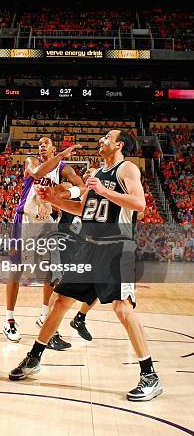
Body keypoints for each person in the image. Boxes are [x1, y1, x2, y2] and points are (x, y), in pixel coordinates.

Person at [9, 129, 163, 402]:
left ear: (119, 144)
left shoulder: (126, 169)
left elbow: (139, 204)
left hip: (117, 247)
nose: (102, 139)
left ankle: (150, 375)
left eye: (107, 137)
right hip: (89, 248)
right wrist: (54, 200)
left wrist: (103, 190)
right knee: (59, 303)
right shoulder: (96, 173)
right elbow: (84, 211)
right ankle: (34, 358)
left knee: (122, 308)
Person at [3, 136, 87, 350]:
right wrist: (60, 156)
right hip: (25, 218)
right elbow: (36, 174)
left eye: (46, 143)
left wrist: (64, 194)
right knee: (17, 270)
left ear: (53, 147)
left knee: (51, 273)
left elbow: (82, 187)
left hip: (47, 222)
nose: (41, 145)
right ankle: (9, 320)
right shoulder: (31, 161)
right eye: (39, 143)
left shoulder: (64, 169)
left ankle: (43, 316)